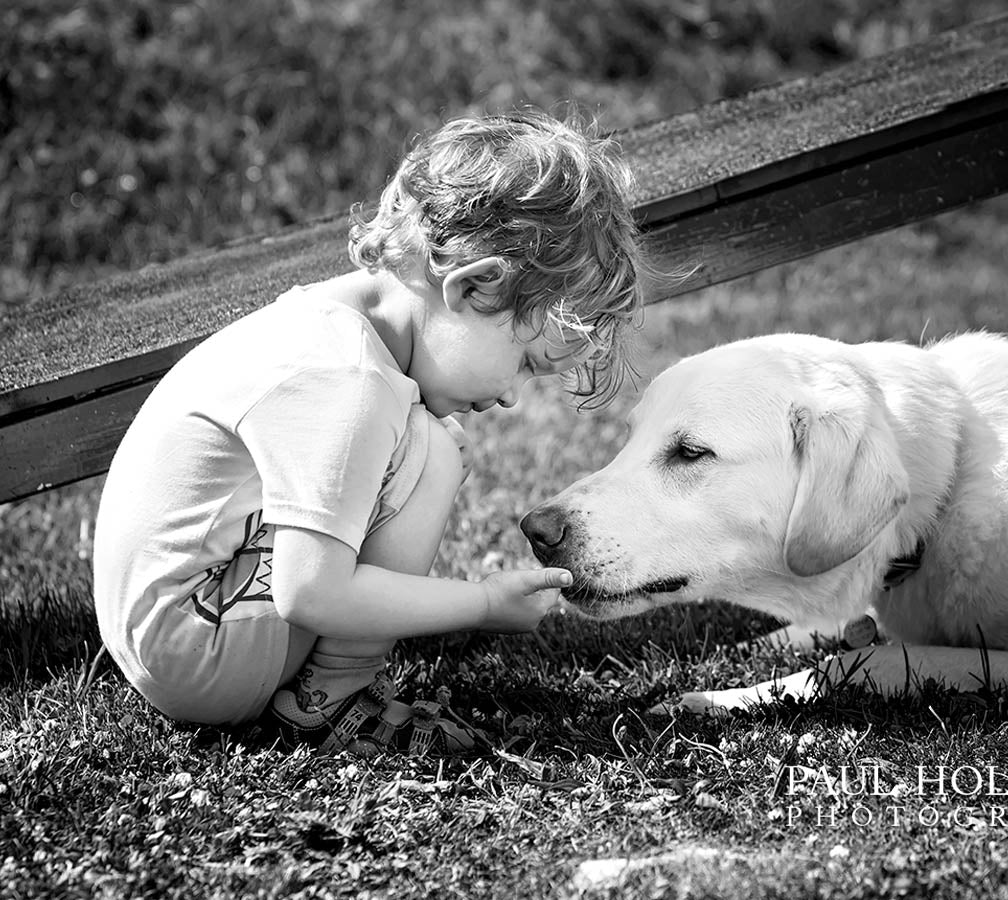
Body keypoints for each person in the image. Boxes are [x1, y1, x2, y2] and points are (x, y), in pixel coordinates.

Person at [93, 108, 651, 757]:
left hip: (168, 635)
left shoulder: (321, 329)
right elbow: (311, 592)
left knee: (420, 438)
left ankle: (317, 680)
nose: (506, 395)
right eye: (524, 361)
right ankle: (329, 700)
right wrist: (480, 603)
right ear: (471, 288)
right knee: (432, 452)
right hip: (205, 654)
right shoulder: (351, 383)